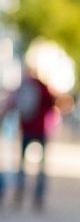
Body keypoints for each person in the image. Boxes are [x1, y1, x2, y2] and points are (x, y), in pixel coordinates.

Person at [0, 68, 56, 208]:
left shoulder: (23, 88)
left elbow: (11, 104)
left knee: (22, 164)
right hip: (41, 131)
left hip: (26, 129)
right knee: (41, 166)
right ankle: (38, 196)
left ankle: (19, 193)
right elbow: (52, 105)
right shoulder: (43, 88)